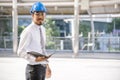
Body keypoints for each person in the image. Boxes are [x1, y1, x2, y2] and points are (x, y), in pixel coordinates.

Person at [17, 2, 51, 80]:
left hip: (42, 68)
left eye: (42, 14)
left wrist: (47, 66)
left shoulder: (43, 29)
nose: (40, 16)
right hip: (33, 70)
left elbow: (42, 49)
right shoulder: (28, 31)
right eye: (37, 14)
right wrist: (35, 59)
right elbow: (20, 51)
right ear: (32, 15)